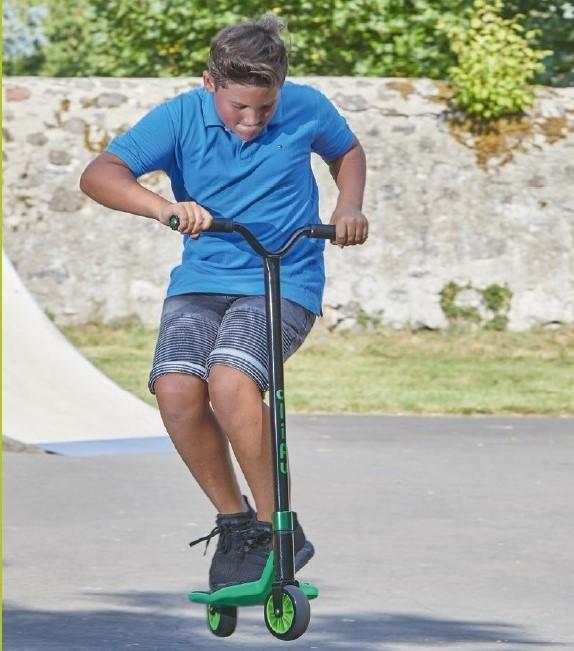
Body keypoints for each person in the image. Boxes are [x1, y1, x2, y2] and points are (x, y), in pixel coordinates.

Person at [80, 14, 368, 591]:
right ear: (210, 82)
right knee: (175, 388)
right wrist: (164, 208)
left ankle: (276, 527)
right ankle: (236, 523)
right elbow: (99, 174)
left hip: (283, 275)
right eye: (239, 107)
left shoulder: (307, 106)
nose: (253, 121)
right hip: (202, 280)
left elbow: (347, 152)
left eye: (266, 107)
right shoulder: (180, 116)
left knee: (233, 381)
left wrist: (347, 206)